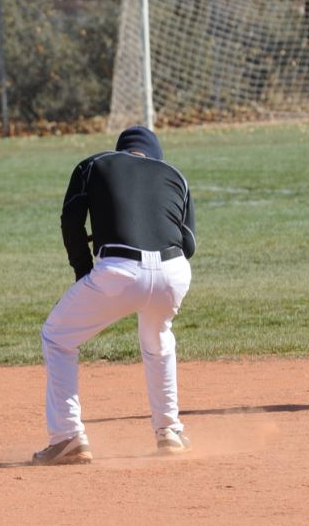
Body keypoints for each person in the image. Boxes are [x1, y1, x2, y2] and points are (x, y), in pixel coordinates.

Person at [32, 126, 196, 465]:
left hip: (119, 271)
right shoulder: (174, 175)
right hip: (174, 271)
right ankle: (169, 431)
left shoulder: (93, 165)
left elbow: (71, 221)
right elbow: (189, 243)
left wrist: (83, 272)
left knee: (58, 337)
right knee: (158, 338)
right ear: (154, 156)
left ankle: (67, 436)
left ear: (121, 151)